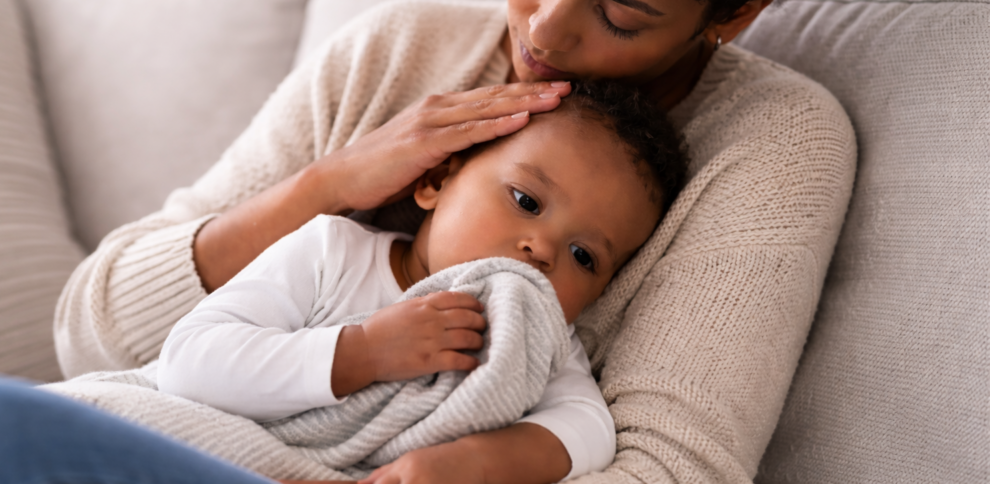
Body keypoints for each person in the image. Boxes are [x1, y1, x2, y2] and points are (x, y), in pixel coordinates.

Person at [0, 0, 911, 482]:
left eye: (618, 17)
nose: (542, 32)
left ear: (732, 16)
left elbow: (669, 465)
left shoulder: (772, 146)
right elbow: (93, 331)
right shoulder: (397, 52)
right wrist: (325, 185)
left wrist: (468, 467)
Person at [155, 81, 688, 482]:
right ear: (436, 182)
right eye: (526, 201)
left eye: (584, 256)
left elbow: (590, 432)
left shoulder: (531, 333)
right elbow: (188, 362)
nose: (543, 250)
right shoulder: (332, 253)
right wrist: (363, 352)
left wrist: (474, 462)